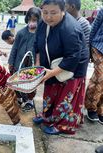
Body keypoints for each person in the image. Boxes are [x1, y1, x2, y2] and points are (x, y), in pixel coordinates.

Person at [33, 0, 89, 134]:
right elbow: (38, 45)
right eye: (45, 12)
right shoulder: (43, 23)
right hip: (52, 62)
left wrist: (51, 73)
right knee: (52, 88)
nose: (48, 17)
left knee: (66, 94)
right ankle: (48, 117)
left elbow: (72, 58)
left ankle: (63, 125)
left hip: (74, 65)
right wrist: (38, 66)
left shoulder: (70, 29)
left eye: (53, 13)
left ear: (63, 11)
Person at [8, 7, 42, 112]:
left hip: (32, 64)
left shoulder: (40, 34)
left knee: (31, 83)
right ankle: (19, 98)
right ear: (27, 19)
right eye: (31, 19)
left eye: (35, 20)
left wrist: (37, 64)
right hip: (19, 62)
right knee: (18, 81)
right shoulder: (21, 33)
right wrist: (11, 62)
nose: (32, 22)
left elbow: (40, 51)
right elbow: (15, 48)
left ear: (39, 20)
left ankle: (29, 101)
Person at [85, 8, 103, 124]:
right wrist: (89, 49)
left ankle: (100, 109)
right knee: (99, 78)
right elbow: (94, 28)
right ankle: (91, 107)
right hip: (98, 46)